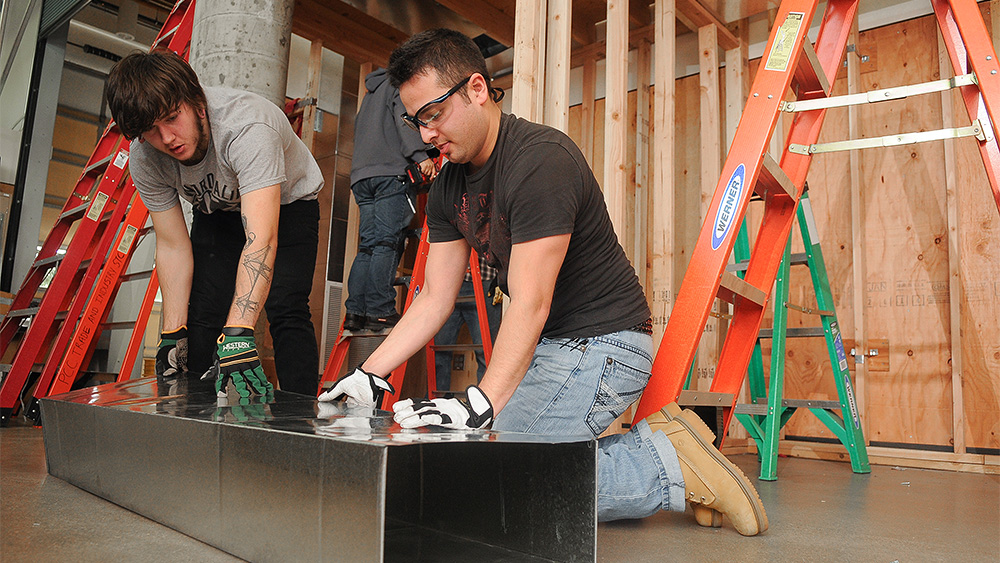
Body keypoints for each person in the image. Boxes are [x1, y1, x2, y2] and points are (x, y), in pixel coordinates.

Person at [319, 29, 768, 535]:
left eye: (433, 115)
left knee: (497, 479)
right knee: (476, 466)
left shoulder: (539, 159)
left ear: (476, 89)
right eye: (415, 120)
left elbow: (530, 301)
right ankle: (651, 447)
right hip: (549, 349)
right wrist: (369, 374)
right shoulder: (448, 185)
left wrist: (481, 403)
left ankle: (664, 465)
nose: (424, 135)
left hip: (605, 343)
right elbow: (434, 299)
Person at [106, 50, 323, 398]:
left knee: (285, 306)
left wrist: (239, 332)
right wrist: (172, 334)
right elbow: (173, 246)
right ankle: (194, 416)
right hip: (218, 209)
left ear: (197, 103)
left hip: (289, 203)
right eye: (150, 130)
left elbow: (261, 239)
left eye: (173, 118)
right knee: (203, 316)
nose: (167, 139)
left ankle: (301, 415)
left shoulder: (248, 127)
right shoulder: (145, 157)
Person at [343, 68, 436, 332]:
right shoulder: (398, 86)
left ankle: (355, 313)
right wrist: (421, 156)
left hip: (361, 178)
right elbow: (403, 120)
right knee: (386, 243)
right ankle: (381, 310)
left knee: (368, 246)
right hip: (390, 174)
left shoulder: (370, 94)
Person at [432, 254, 501, 393]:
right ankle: (437, 404)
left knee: (486, 352)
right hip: (449, 281)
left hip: (485, 279)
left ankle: (484, 405)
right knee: (439, 351)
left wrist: (502, 279)